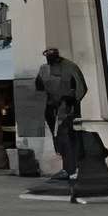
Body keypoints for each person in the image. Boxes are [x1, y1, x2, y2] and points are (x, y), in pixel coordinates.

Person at [35, 47, 89, 179]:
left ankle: (72, 168)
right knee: (58, 138)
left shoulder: (70, 67)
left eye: (52, 58)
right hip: (51, 107)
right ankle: (67, 167)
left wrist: (72, 100)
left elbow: (81, 87)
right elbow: (39, 87)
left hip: (67, 107)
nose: (50, 61)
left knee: (68, 136)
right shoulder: (44, 69)